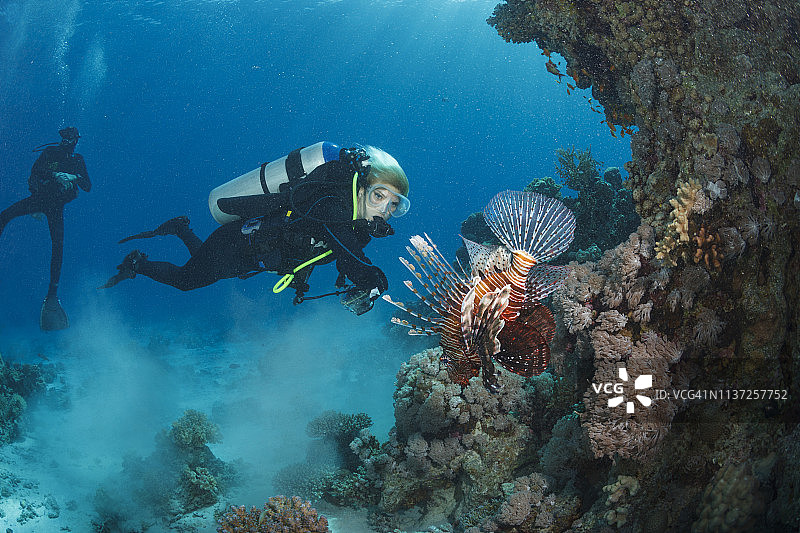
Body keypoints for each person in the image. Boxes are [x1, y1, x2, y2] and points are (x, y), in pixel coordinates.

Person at [101, 144, 409, 315]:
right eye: (379, 196)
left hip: (249, 255)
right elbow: (346, 254)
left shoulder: (355, 224)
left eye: (395, 205)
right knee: (187, 280)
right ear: (360, 189)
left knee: (204, 265)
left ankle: (181, 229)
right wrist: (373, 280)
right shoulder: (330, 204)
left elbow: (337, 248)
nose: (384, 210)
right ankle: (137, 263)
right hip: (236, 245)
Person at [0, 126, 91, 330]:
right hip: (39, 200)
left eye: (71, 139)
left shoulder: (78, 160)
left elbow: (88, 186)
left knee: (58, 246)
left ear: (77, 140)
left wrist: (73, 177)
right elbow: (35, 172)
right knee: (4, 216)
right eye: (65, 138)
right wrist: (55, 175)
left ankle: (52, 295)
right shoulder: (50, 152)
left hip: (56, 206)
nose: (68, 142)